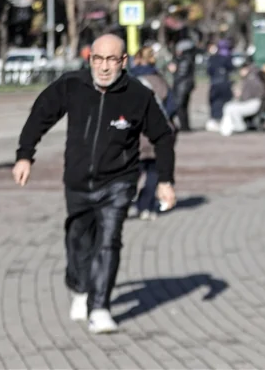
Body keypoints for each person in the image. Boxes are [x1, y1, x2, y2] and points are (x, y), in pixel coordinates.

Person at [12, 34, 177, 334]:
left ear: (123, 61)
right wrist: (25, 156)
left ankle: (100, 307)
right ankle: (80, 288)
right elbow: (41, 114)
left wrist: (165, 180)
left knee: (109, 240)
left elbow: (163, 136)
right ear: (90, 60)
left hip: (118, 181)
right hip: (77, 181)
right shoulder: (72, 85)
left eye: (111, 59)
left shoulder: (138, 95)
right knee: (78, 240)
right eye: (97, 59)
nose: (103, 67)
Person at [129, 47, 177, 220]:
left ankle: (122, 204)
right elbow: (171, 107)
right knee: (154, 173)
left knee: (130, 173)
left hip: (135, 135)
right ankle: (146, 206)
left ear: (136, 60)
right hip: (158, 136)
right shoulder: (160, 81)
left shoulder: (130, 81)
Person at [219, 61, 264, 137]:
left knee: (231, 108)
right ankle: (229, 126)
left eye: (242, 70)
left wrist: (239, 94)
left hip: (254, 103)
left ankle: (239, 126)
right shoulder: (249, 78)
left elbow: (249, 95)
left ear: (247, 69)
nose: (240, 72)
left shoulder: (252, 79)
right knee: (228, 106)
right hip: (251, 102)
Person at [205, 39, 235, 132]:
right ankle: (223, 119)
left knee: (215, 102)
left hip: (215, 83)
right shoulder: (228, 57)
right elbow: (231, 68)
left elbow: (209, 71)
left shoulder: (213, 58)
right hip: (224, 83)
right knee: (225, 102)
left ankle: (215, 119)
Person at [169, 38, 197, 132]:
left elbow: (181, 73)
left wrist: (174, 70)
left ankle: (184, 126)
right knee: (183, 107)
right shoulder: (188, 58)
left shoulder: (184, 60)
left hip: (182, 86)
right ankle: (185, 126)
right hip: (185, 85)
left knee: (179, 106)